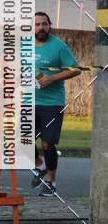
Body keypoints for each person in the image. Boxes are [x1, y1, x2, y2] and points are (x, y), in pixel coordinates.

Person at [32, 11, 80, 196]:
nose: (41, 27)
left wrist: (51, 78)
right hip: (30, 101)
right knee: (23, 140)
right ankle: (40, 166)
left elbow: (75, 69)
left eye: (44, 24)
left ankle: (51, 183)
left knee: (46, 144)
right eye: (37, 24)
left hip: (52, 103)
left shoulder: (59, 46)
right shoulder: (25, 45)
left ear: (49, 25)